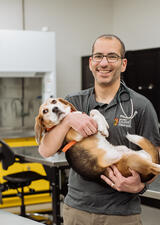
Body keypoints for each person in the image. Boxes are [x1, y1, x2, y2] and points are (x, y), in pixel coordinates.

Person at [38, 34, 160, 225]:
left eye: (112, 56)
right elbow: (45, 150)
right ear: (91, 62)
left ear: (124, 64)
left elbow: (155, 155)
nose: (104, 63)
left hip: (122, 215)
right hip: (76, 211)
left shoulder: (141, 105)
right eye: (98, 56)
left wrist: (140, 187)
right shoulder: (72, 103)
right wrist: (68, 119)